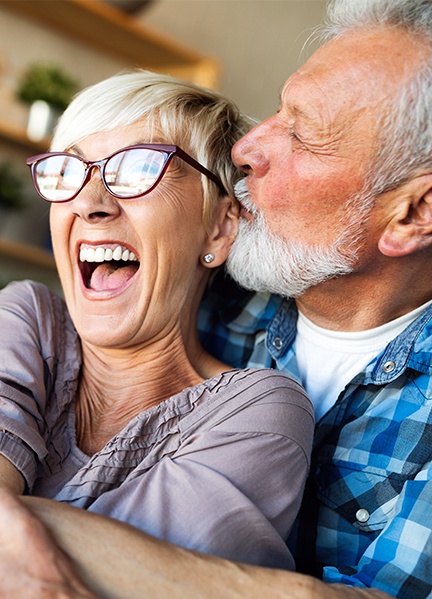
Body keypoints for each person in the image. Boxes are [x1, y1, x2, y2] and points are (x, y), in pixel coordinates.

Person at [0, 0, 431, 597]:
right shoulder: (39, 317)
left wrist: (18, 526)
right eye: (277, 111)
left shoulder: (256, 401)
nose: (247, 147)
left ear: (416, 212)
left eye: (302, 133)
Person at [0, 70, 315, 571]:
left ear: (219, 227)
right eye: (70, 172)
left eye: (137, 168)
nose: (89, 203)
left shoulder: (259, 411)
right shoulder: (26, 316)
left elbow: (137, 579)